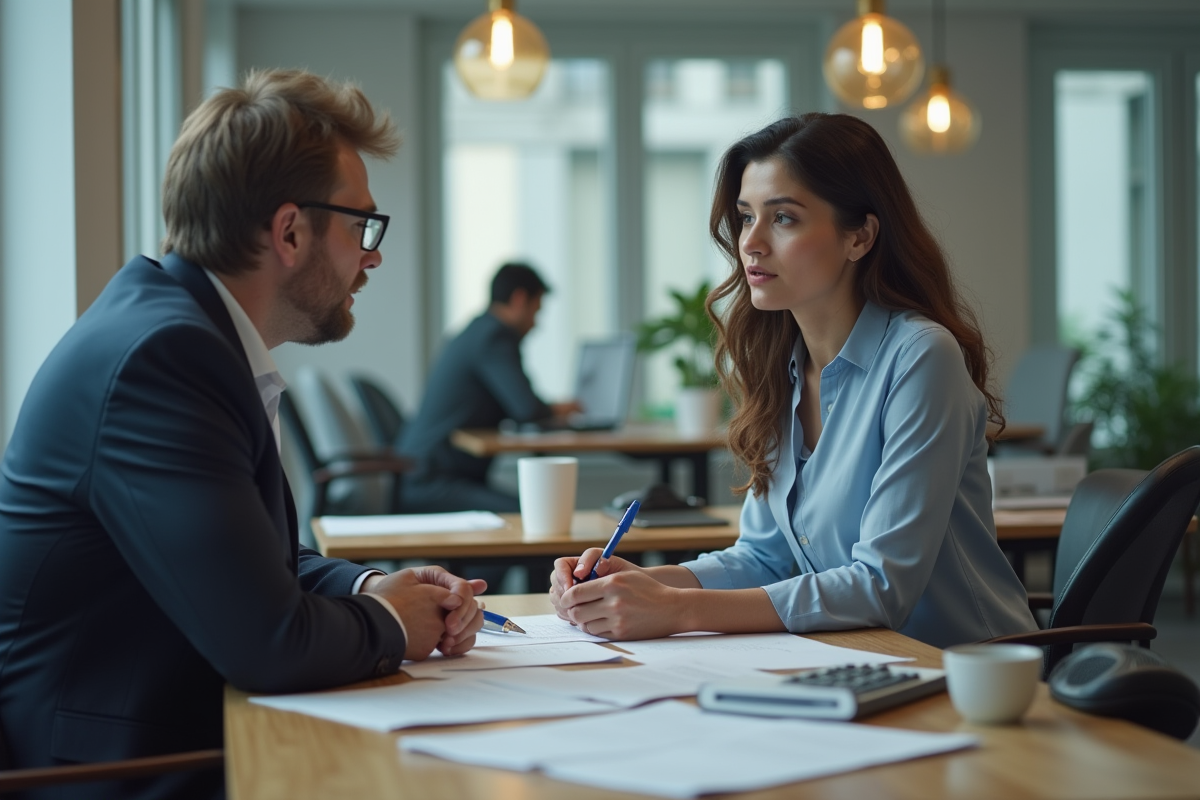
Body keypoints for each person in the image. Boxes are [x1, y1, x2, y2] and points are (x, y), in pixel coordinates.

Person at [0, 69, 484, 800]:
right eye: (363, 226)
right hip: (114, 770)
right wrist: (389, 621)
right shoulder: (163, 359)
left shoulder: (180, 332)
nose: (373, 255)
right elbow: (270, 645)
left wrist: (366, 584)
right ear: (290, 230)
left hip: (171, 727)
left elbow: (246, 561)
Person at [550, 114, 1037, 649]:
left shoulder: (922, 357)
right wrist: (636, 584)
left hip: (966, 677)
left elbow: (882, 586)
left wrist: (675, 608)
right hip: (856, 664)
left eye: (783, 218)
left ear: (860, 236)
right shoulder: (781, 367)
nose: (751, 243)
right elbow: (766, 556)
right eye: (745, 216)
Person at [400, 262, 580, 513]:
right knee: (536, 519)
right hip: (433, 483)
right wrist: (560, 409)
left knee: (538, 515)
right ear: (519, 299)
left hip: (424, 475)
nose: (535, 324)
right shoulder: (494, 337)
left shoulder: (476, 331)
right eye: (536, 311)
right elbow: (527, 409)